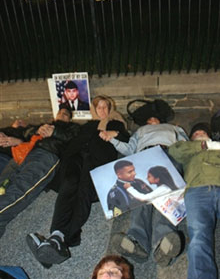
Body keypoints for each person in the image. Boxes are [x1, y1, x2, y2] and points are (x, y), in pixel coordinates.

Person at [26, 95, 130, 267]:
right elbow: (71, 140)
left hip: (97, 161)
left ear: (110, 109)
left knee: (83, 192)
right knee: (68, 186)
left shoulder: (116, 123)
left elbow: (127, 139)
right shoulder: (87, 125)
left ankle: (59, 238)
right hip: (74, 157)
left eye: (105, 107)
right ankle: (56, 239)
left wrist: (114, 133)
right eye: (99, 107)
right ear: (94, 110)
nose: (102, 110)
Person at [99, 99, 188, 266]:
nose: (152, 120)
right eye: (149, 119)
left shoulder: (175, 129)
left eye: (155, 118)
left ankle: (163, 243)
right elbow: (128, 150)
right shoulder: (140, 131)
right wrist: (112, 140)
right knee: (141, 196)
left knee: (167, 194)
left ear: (161, 119)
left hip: (169, 154)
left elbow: (186, 146)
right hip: (143, 157)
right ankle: (137, 241)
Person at [0, 105, 80, 239]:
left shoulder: (73, 127)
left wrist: (54, 132)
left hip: (47, 155)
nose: (62, 115)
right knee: (3, 185)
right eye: (60, 113)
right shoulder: (44, 125)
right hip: (25, 155)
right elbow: (25, 133)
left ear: (70, 119)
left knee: (21, 188)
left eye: (66, 114)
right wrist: (33, 130)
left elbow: (74, 139)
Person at [168, 122, 220, 279]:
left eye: (203, 132)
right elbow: (173, 151)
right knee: (198, 237)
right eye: (196, 134)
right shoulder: (187, 149)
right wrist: (204, 145)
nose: (200, 134)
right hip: (197, 192)